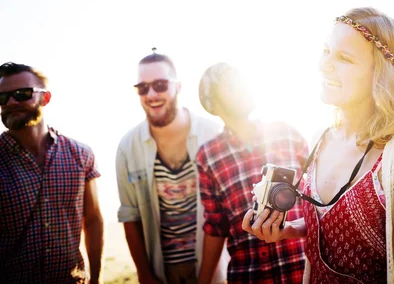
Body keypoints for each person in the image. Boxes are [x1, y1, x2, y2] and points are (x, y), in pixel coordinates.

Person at [243, 7, 394, 283]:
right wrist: (289, 229)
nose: (324, 65)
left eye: (344, 58)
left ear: (379, 75)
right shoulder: (320, 140)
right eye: (326, 51)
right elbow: (333, 223)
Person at [115, 50, 227, 284]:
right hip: (161, 272)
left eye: (160, 85)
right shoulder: (128, 147)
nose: (151, 94)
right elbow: (130, 215)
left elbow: (227, 211)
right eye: (142, 88)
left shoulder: (213, 134)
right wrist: (144, 274)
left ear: (178, 86)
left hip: (214, 267)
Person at [195, 63, 307, 284]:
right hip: (249, 276)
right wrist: (203, 281)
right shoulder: (207, 156)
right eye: (231, 84)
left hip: (302, 273)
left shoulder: (287, 134)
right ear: (214, 103)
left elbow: (320, 200)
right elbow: (216, 227)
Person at [0, 62, 104, 283]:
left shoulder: (80, 154)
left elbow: (93, 219)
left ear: (45, 98)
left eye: (22, 94)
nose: (10, 103)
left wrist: (95, 279)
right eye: (3, 97)